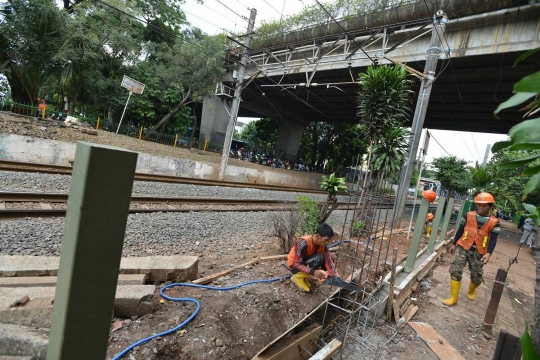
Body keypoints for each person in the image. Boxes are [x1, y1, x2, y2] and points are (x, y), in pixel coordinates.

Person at [442, 192, 500, 306]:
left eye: (484, 205)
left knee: (476, 276)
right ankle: (453, 298)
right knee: (455, 269)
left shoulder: (495, 222)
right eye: (479, 205)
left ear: (490, 206)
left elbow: (493, 239)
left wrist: (489, 253)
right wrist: (454, 244)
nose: (481, 207)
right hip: (463, 246)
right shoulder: (468, 215)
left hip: (479, 252)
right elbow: (460, 230)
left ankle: (472, 290)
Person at [287, 223, 340, 292]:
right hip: (294, 266)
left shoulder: (323, 246)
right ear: (318, 236)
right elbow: (296, 263)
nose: (327, 242)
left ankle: (304, 277)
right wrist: (313, 272)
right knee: (319, 258)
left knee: (328, 260)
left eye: (329, 240)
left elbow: (329, 261)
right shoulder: (303, 242)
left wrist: (337, 276)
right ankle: (297, 277)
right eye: (326, 240)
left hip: (305, 263)